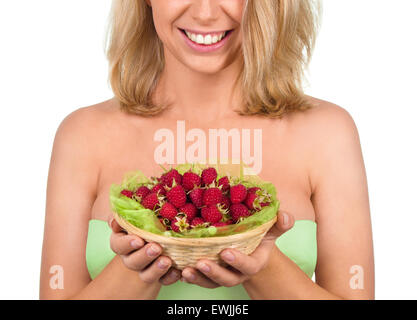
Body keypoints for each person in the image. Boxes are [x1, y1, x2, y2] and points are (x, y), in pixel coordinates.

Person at [40, 0, 374, 299]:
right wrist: (143, 265)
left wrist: (263, 263)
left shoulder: (328, 133)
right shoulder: (82, 135)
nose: (204, 12)